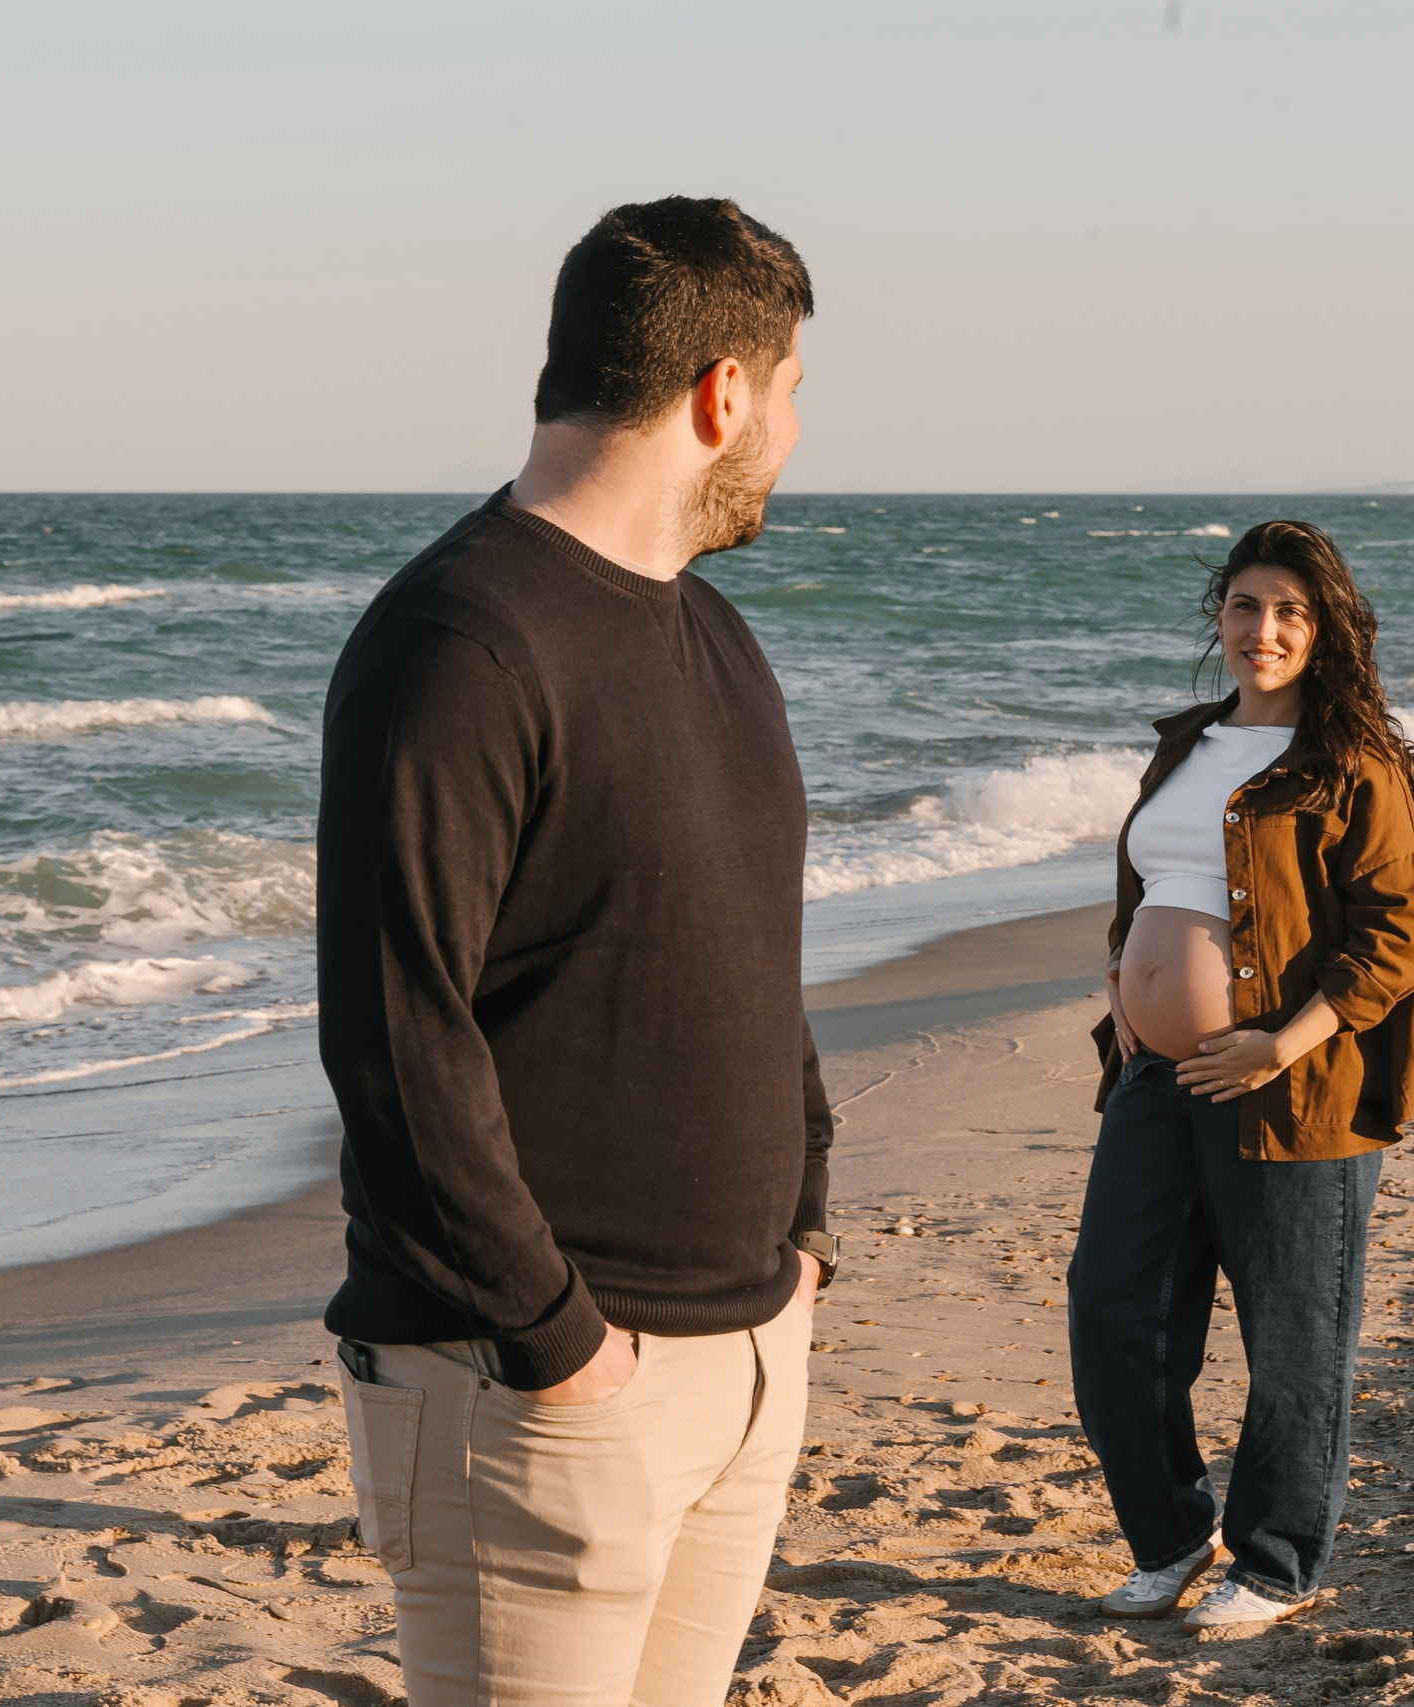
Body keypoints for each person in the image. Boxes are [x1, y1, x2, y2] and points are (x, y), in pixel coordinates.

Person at [315, 197, 839, 1707]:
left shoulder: (716, 637)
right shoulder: (460, 642)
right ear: (721, 393)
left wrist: (799, 1226)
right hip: (532, 1388)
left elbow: (747, 945)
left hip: (744, 1351)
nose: (797, 429)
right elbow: (397, 1037)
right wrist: (560, 1343)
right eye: (794, 389)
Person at [1068, 520, 1414, 1628]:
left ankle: (1275, 1563)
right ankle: (1174, 1534)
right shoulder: (1186, 743)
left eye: (1287, 611)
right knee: (1112, 1312)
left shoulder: (1354, 764)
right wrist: (1121, 987)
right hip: (1152, 1081)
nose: (1260, 630)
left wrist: (1283, 1038)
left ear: (1322, 631)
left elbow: (1395, 935)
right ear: (1217, 618)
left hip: (1293, 1091)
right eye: (1243, 606)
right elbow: (1153, 887)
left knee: (1292, 1341)